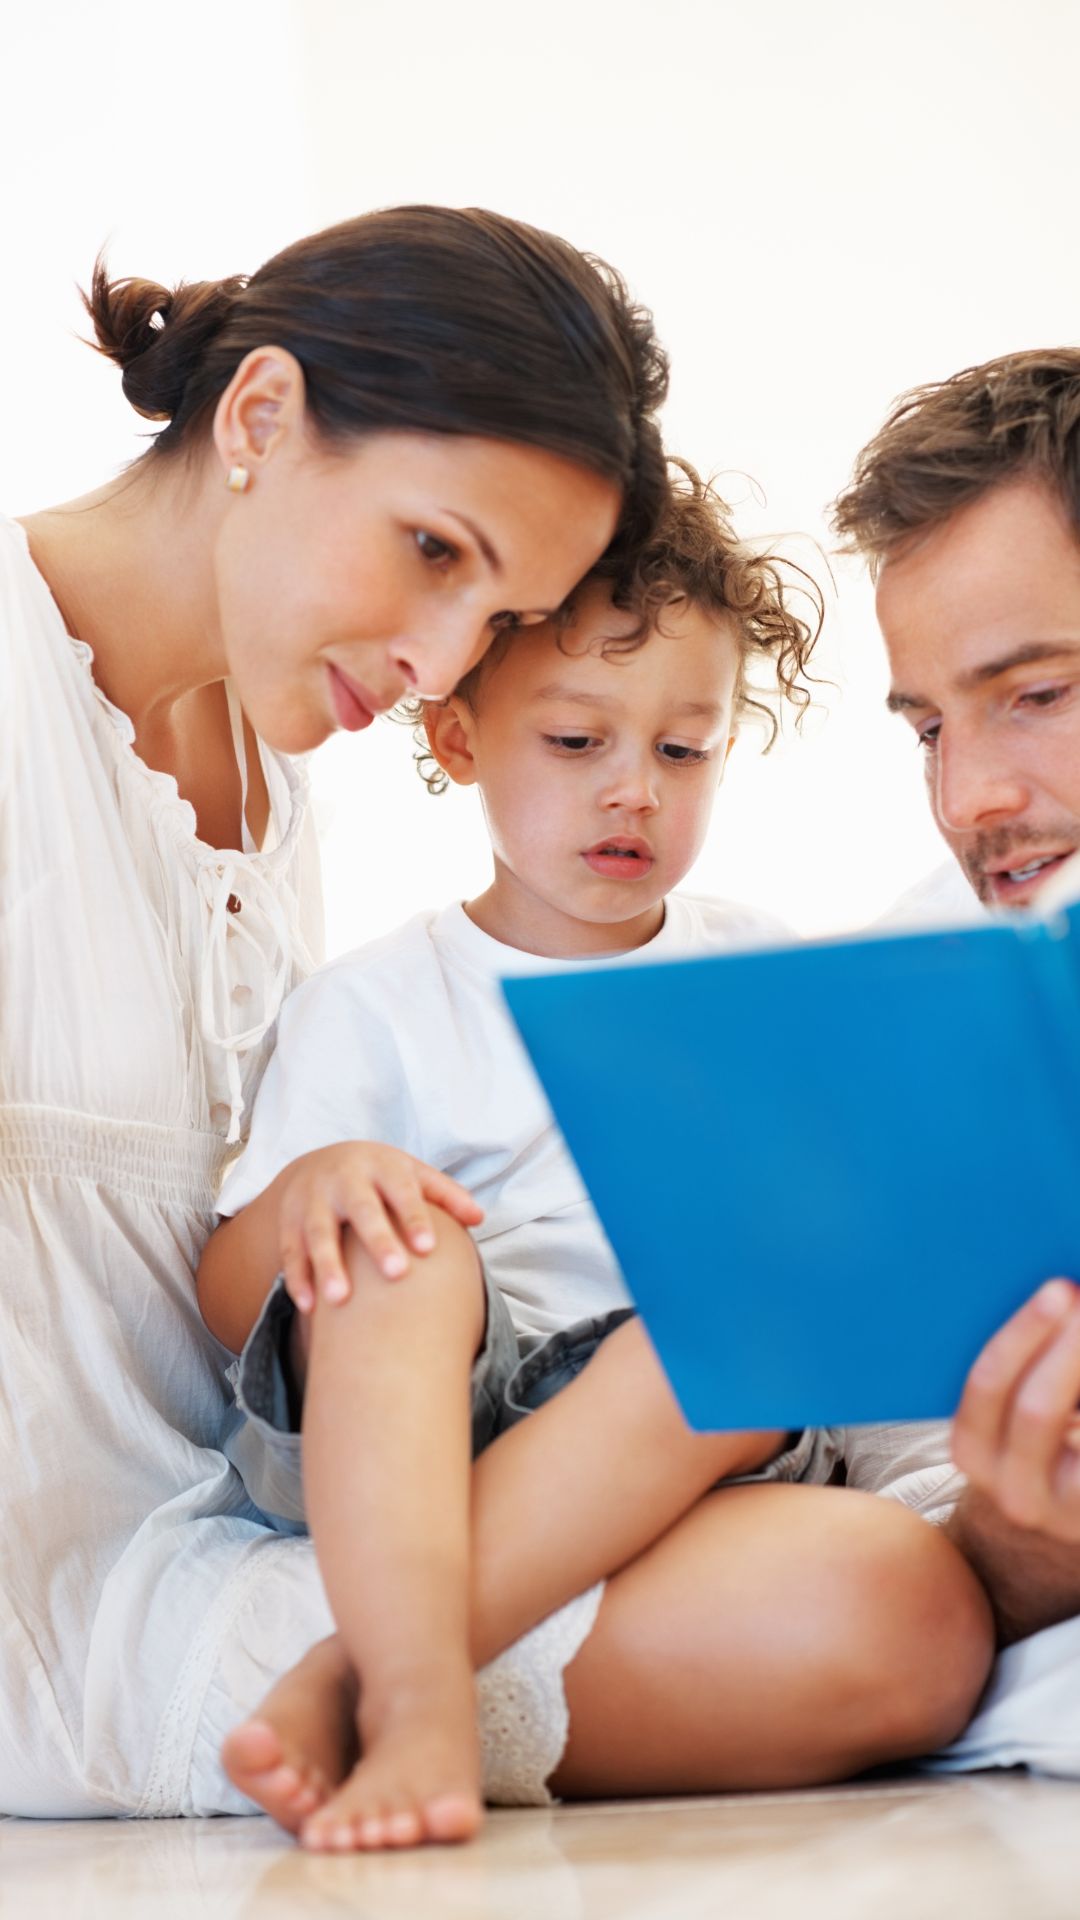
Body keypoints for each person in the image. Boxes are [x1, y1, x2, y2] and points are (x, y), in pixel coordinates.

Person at [0, 206, 986, 1826]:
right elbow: (271, 1273)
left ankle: (387, 1671)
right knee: (410, 1242)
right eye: (435, 552)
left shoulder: (266, 771)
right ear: (257, 417)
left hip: (289, 1544)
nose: (438, 658)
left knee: (904, 1606)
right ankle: (393, 1691)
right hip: (80, 1603)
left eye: (492, 609)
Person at [198, 471, 855, 1850]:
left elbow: (848, 1239)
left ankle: (358, 1672)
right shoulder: (380, 1000)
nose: (633, 789)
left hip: (682, 1441)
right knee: (395, 1247)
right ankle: (425, 1696)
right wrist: (316, 1198)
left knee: (744, 1315)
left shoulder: (764, 968)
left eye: (685, 752)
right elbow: (233, 1294)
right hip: (435, 1422)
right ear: (459, 733)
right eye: (574, 740)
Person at [832, 348, 1080, 1648]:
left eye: (1035, 696)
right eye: (929, 728)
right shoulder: (901, 1019)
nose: (966, 798)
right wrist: (1018, 1541)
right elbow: (913, 1484)